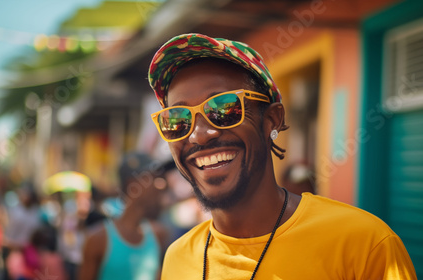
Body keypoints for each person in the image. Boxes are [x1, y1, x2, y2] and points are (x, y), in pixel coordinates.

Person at [148, 33, 416, 279]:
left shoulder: (363, 243)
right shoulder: (178, 257)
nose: (200, 135)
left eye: (224, 108)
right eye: (177, 119)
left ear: (272, 120)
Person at [78, 153, 170, 280]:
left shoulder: (159, 235)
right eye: (155, 180)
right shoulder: (97, 240)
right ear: (134, 186)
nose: (162, 186)